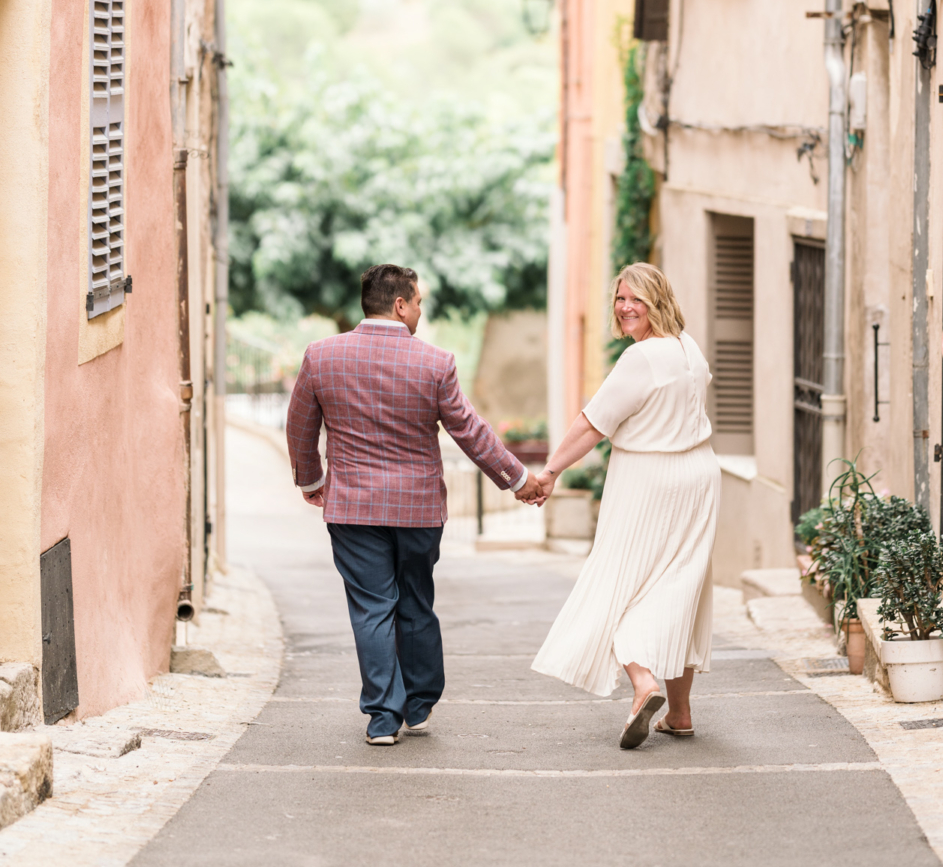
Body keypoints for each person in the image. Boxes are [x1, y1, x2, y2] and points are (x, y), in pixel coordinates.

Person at [286, 263, 541, 745]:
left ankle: (384, 716)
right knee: (416, 599)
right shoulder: (435, 362)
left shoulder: (321, 356)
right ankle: (419, 704)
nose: (421, 310)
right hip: (418, 508)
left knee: (372, 607)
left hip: (353, 509)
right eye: (418, 302)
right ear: (400, 305)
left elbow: (300, 425)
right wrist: (518, 478)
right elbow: (469, 431)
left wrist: (311, 479)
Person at [531, 262, 720, 749]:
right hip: (698, 476)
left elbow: (593, 424)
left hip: (649, 481)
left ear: (658, 301)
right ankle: (679, 714)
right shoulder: (689, 348)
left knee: (622, 582)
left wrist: (550, 471)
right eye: (620, 299)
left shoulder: (641, 358)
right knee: (683, 585)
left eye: (636, 298)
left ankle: (643, 684)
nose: (626, 307)